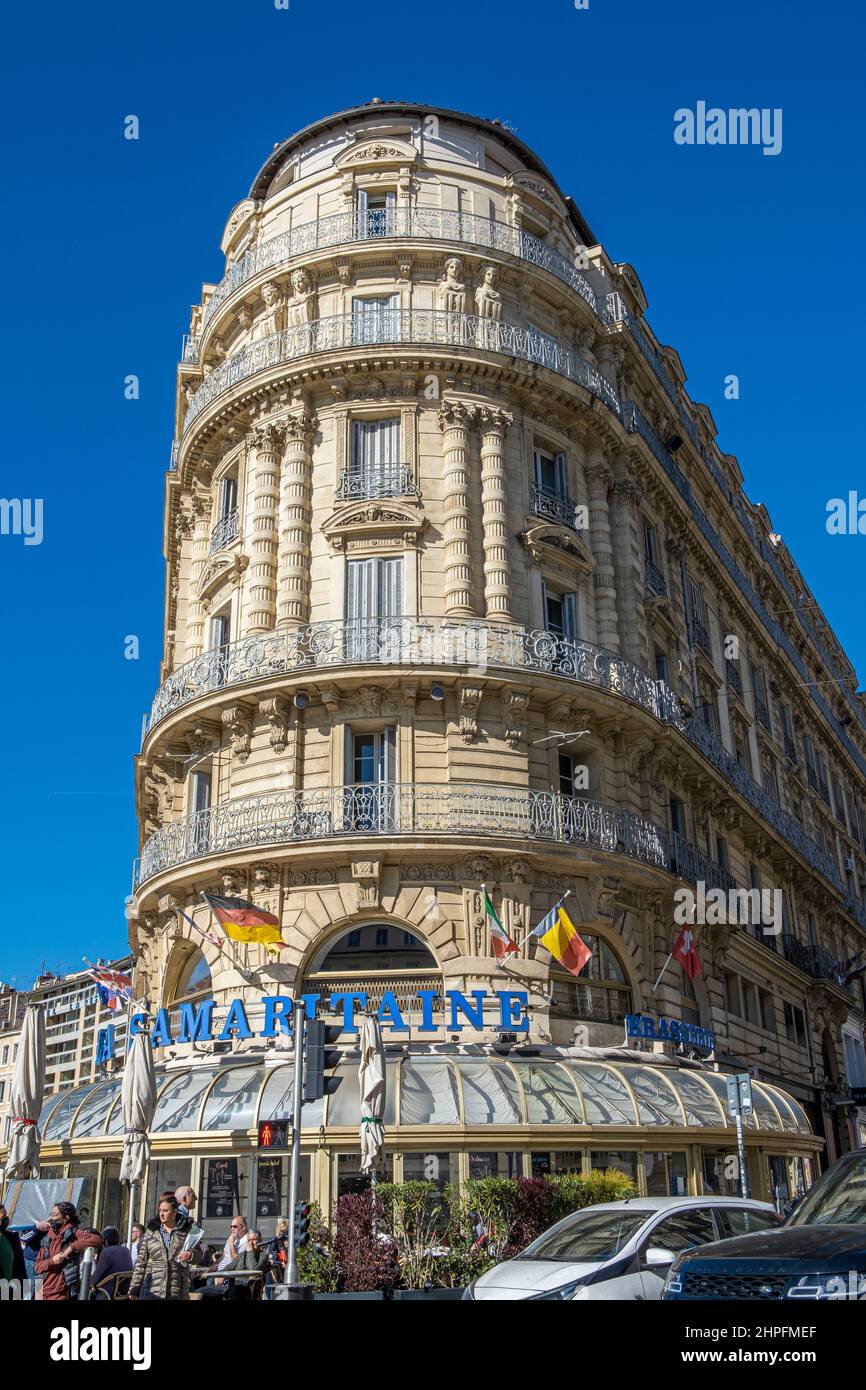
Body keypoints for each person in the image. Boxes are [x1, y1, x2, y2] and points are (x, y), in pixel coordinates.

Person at [128, 1195, 202, 1301]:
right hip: (152, 1289)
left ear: (175, 1212)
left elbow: (199, 1256)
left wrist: (190, 1255)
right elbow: (141, 1262)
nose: (162, 1214)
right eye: (160, 1210)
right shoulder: (151, 1231)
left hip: (177, 1289)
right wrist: (134, 1288)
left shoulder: (186, 1230)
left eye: (166, 1210)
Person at [29, 1202, 103, 1301]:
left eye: (55, 1215)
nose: (51, 1218)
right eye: (51, 1214)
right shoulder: (47, 1237)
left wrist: (72, 1247)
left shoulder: (74, 1233)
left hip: (59, 1291)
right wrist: (52, 1261)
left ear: (66, 1217)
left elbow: (97, 1240)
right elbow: (37, 1267)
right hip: (41, 1289)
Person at [220, 1230, 270, 1300]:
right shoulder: (242, 1254)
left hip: (245, 1287)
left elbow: (254, 1269)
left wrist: (250, 1252)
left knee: (229, 1293)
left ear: (260, 1241)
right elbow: (228, 1267)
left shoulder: (263, 1255)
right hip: (230, 1284)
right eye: (249, 1240)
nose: (251, 1243)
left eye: (254, 1239)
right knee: (201, 1292)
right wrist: (219, 1274)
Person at [91, 1226, 133, 1299]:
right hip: (124, 1291)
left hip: (108, 1291)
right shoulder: (126, 1250)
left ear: (105, 1241)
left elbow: (98, 1274)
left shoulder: (106, 1252)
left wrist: (88, 1282)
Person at [0, 1204, 27, 1285]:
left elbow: (19, 1267)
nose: (6, 1219)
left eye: (6, 1216)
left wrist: (21, 1291)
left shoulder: (12, 1238)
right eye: (3, 1217)